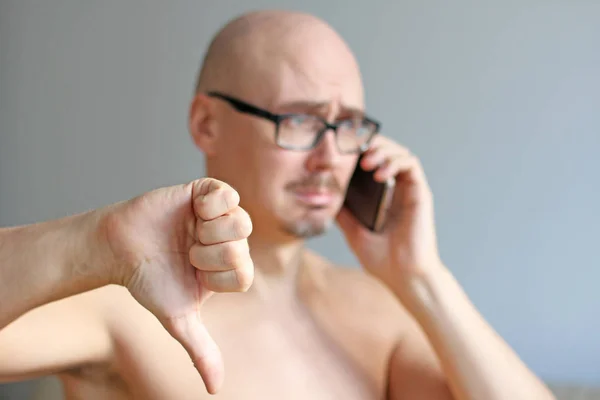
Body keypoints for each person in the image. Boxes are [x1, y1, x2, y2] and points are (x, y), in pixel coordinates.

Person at [0, 9, 555, 400]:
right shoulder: (118, 307)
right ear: (206, 123)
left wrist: (422, 277)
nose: (330, 158)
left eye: (347, 126)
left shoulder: (380, 311)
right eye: (301, 121)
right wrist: (91, 242)